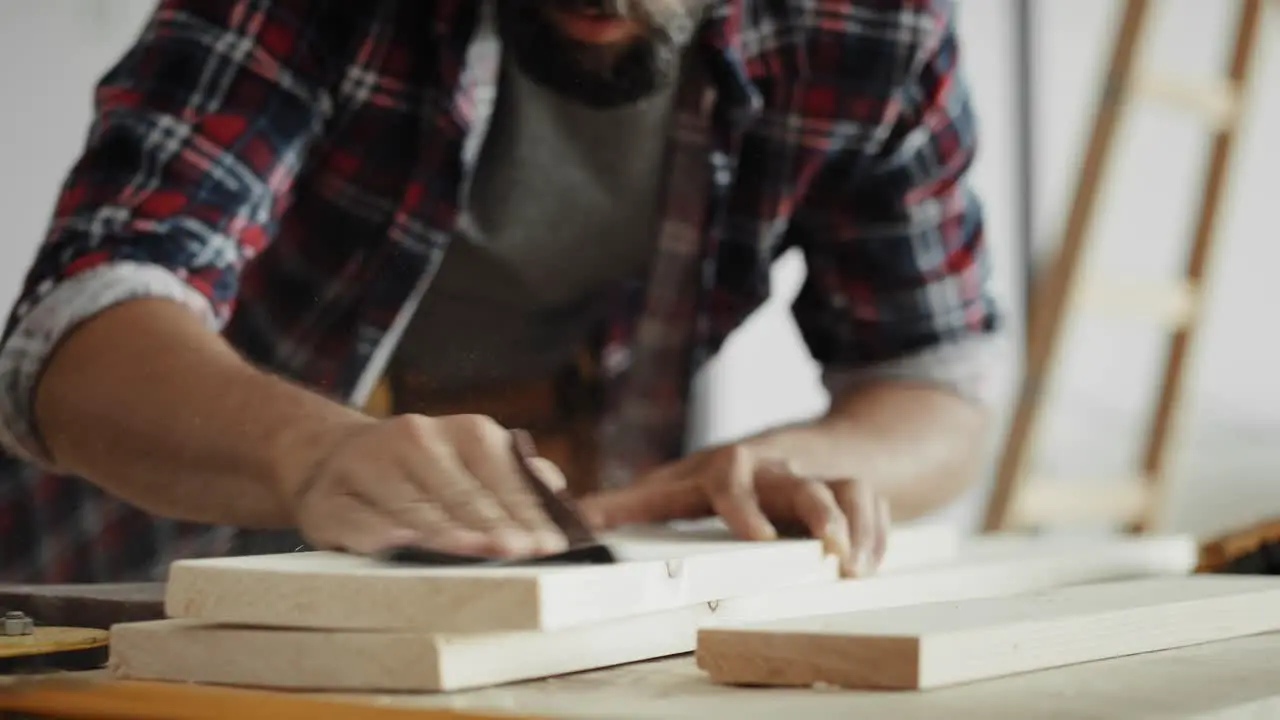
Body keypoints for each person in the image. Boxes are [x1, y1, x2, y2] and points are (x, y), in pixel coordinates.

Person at [0, 0, 1002, 584]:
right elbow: (76, 329)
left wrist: (773, 465)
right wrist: (318, 455)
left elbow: (932, 383)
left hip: (553, 562)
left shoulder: (875, 24)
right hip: (153, 566)